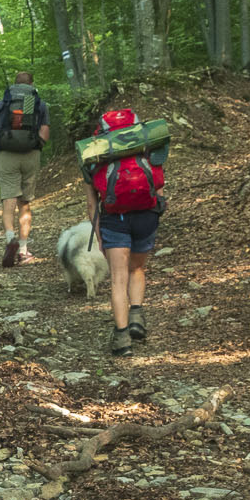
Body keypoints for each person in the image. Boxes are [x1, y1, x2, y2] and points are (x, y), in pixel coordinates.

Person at [83, 107, 165, 356]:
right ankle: (137, 317)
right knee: (137, 268)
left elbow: (91, 203)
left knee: (118, 278)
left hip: (114, 218)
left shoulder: (93, 154)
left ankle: (122, 339)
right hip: (145, 216)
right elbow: (159, 186)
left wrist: (99, 235)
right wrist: (155, 214)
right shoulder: (146, 145)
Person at [0, 72, 50, 267]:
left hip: (7, 154)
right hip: (31, 154)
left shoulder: (3, 104)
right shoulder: (39, 104)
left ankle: (9, 238)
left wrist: (4, 144)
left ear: (15, 85)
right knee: (25, 203)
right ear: (32, 84)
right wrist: (34, 144)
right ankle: (23, 250)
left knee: (9, 199)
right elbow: (45, 134)